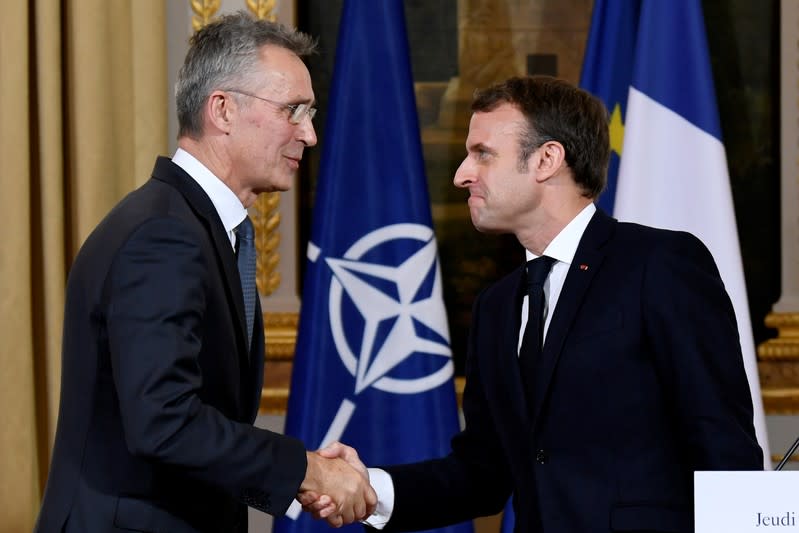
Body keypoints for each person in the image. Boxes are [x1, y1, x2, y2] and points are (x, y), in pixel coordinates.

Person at [304, 75, 763, 532]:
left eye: (482, 154)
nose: (462, 174)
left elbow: (725, 447)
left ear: (547, 159)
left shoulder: (659, 264)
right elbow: (482, 474)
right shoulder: (496, 308)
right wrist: (371, 488)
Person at [35, 12, 375, 533]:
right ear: (222, 109)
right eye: (293, 111)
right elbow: (164, 422)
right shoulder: (162, 237)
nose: (308, 134)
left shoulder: (193, 226)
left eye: (310, 112)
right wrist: (307, 471)